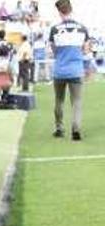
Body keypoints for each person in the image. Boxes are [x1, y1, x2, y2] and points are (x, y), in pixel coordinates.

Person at [50, 0, 90, 140]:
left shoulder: (54, 29)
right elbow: (85, 50)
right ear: (71, 9)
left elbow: (54, 51)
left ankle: (59, 128)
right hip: (76, 70)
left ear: (60, 11)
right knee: (77, 102)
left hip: (60, 70)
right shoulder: (82, 28)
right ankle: (76, 129)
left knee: (59, 100)